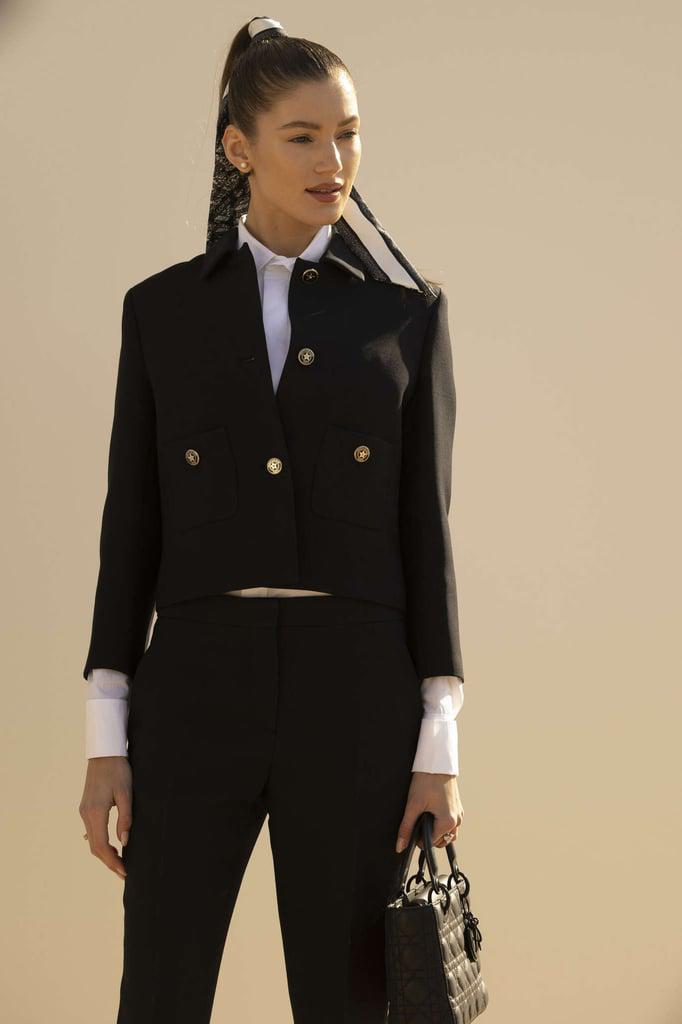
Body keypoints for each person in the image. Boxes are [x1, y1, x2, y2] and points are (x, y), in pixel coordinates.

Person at [78, 16, 466, 1023]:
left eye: (348, 133)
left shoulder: (406, 316)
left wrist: (439, 743)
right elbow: (132, 528)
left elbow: (426, 535)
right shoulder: (161, 312)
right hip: (195, 687)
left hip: (357, 691)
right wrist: (106, 736)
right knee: (158, 992)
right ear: (238, 147)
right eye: (302, 136)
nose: (333, 160)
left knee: (348, 1001)